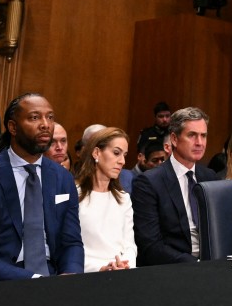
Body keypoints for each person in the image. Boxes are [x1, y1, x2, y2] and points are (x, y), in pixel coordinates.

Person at [0, 93, 83, 281]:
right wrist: (33, 280)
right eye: (35, 117)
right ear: (13, 127)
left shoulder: (62, 177)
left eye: (50, 117)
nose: (46, 124)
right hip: (2, 282)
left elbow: (71, 241)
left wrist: (71, 275)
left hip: (54, 280)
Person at [131, 106, 218, 265]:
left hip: (212, 265)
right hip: (172, 269)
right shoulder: (148, 183)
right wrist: (196, 264)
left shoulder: (210, 177)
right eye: (192, 135)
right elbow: (150, 245)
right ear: (174, 139)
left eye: (203, 136)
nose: (199, 142)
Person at [75, 127, 136, 273]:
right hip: (85, 275)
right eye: (116, 153)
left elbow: (130, 245)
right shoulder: (74, 195)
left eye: (124, 155)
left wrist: (124, 265)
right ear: (96, 152)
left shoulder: (123, 198)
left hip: (122, 274)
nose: (122, 161)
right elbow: (69, 247)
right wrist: (100, 268)